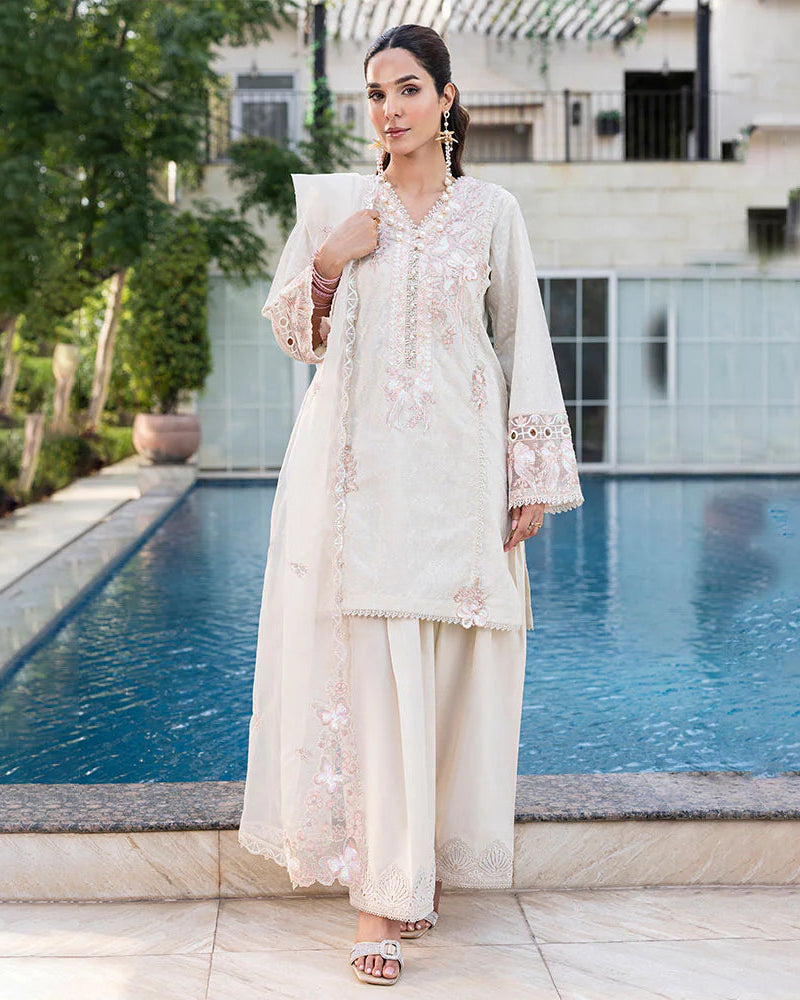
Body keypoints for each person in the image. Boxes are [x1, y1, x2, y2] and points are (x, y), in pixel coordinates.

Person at [237, 22, 584, 987]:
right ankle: (376, 901)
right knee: (377, 679)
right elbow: (295, 335)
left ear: (445, 98)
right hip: (362, 482)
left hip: (460, 478)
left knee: (448, 676)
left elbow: (520, 341)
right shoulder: (343, 207)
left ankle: (414, 872)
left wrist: (529, 477)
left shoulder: (493, 213)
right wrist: (331, 259)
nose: (389, 111)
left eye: (407, 90)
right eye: (376, 94)